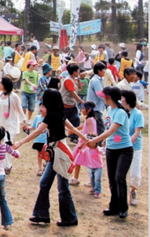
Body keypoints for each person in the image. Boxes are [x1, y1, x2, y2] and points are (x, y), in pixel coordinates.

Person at [13, 89, 88, 227]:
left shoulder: (51, 115)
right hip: (58, 153)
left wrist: (20, 142)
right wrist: (85, 139)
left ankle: (67, 218)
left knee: (61, 187)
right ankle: (44, 215)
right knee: (48, 184)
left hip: (59, 154)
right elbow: (73, 129)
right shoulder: (59, 114)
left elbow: (37, 131)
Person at [86, 87, 133, 219]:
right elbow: (108, 131)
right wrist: (104, 142)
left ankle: (123, 208)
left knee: (119, 177)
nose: (102, 98)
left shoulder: (120, 113)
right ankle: (114, 206)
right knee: (112, 179)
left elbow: (111, 130)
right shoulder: (110, 111)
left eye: (104, 96)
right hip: (112, 149)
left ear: (109, 97)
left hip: (124, 150)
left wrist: (95, 140)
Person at [69, 102, 103, 194]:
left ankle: (76, 178)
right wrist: (74, 130)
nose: (82, 110)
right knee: (81, 161)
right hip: (86, 143)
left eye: (84, 109)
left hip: (85, 143)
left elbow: (90, 133)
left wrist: (83, 143)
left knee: (78, 160)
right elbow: (83, 127)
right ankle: (86, 180)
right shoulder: (91, 119)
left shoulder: (89, 120)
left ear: (89, 109)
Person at [121, 90, 143, 206]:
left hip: (135, 148)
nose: (121, 99)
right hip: (122, 148)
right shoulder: (121, 113)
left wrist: (129, 141)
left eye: (122, 98)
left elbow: (137, 133)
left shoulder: (138, 114)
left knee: (135, 174)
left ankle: (133, 191)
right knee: (120, 175)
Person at [60, 64, 85, 143]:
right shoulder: (68, 80)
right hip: (65, 104)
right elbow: (72, 92)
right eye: (78, 71)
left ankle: (73, 137)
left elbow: (78, 90)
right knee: (63, 122)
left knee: (76, 120)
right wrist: (81, 101)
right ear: (74, 72)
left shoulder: (73, 79)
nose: (79, 72)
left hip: (72, 104)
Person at [87, 62, 107, 134]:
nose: (105, 71)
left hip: (97, 107)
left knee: (97, 128)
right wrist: (108, 102)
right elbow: (100, 94)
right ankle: (99, 143)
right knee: (100, 129)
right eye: (104, 69)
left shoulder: (98, 80)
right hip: (95, 108)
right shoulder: (96, 81)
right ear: (99, 70)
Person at [30, 102, 48, 176]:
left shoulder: (49, 118)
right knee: (39, 154)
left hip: (46, 140)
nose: (41, 108)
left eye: (43, 107)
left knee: (47, 154)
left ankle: (45, 166)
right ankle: (40, 168)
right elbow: (33, 127)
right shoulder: (37, 118)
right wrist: (27, 128)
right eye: (40, 107)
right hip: (38, 140)